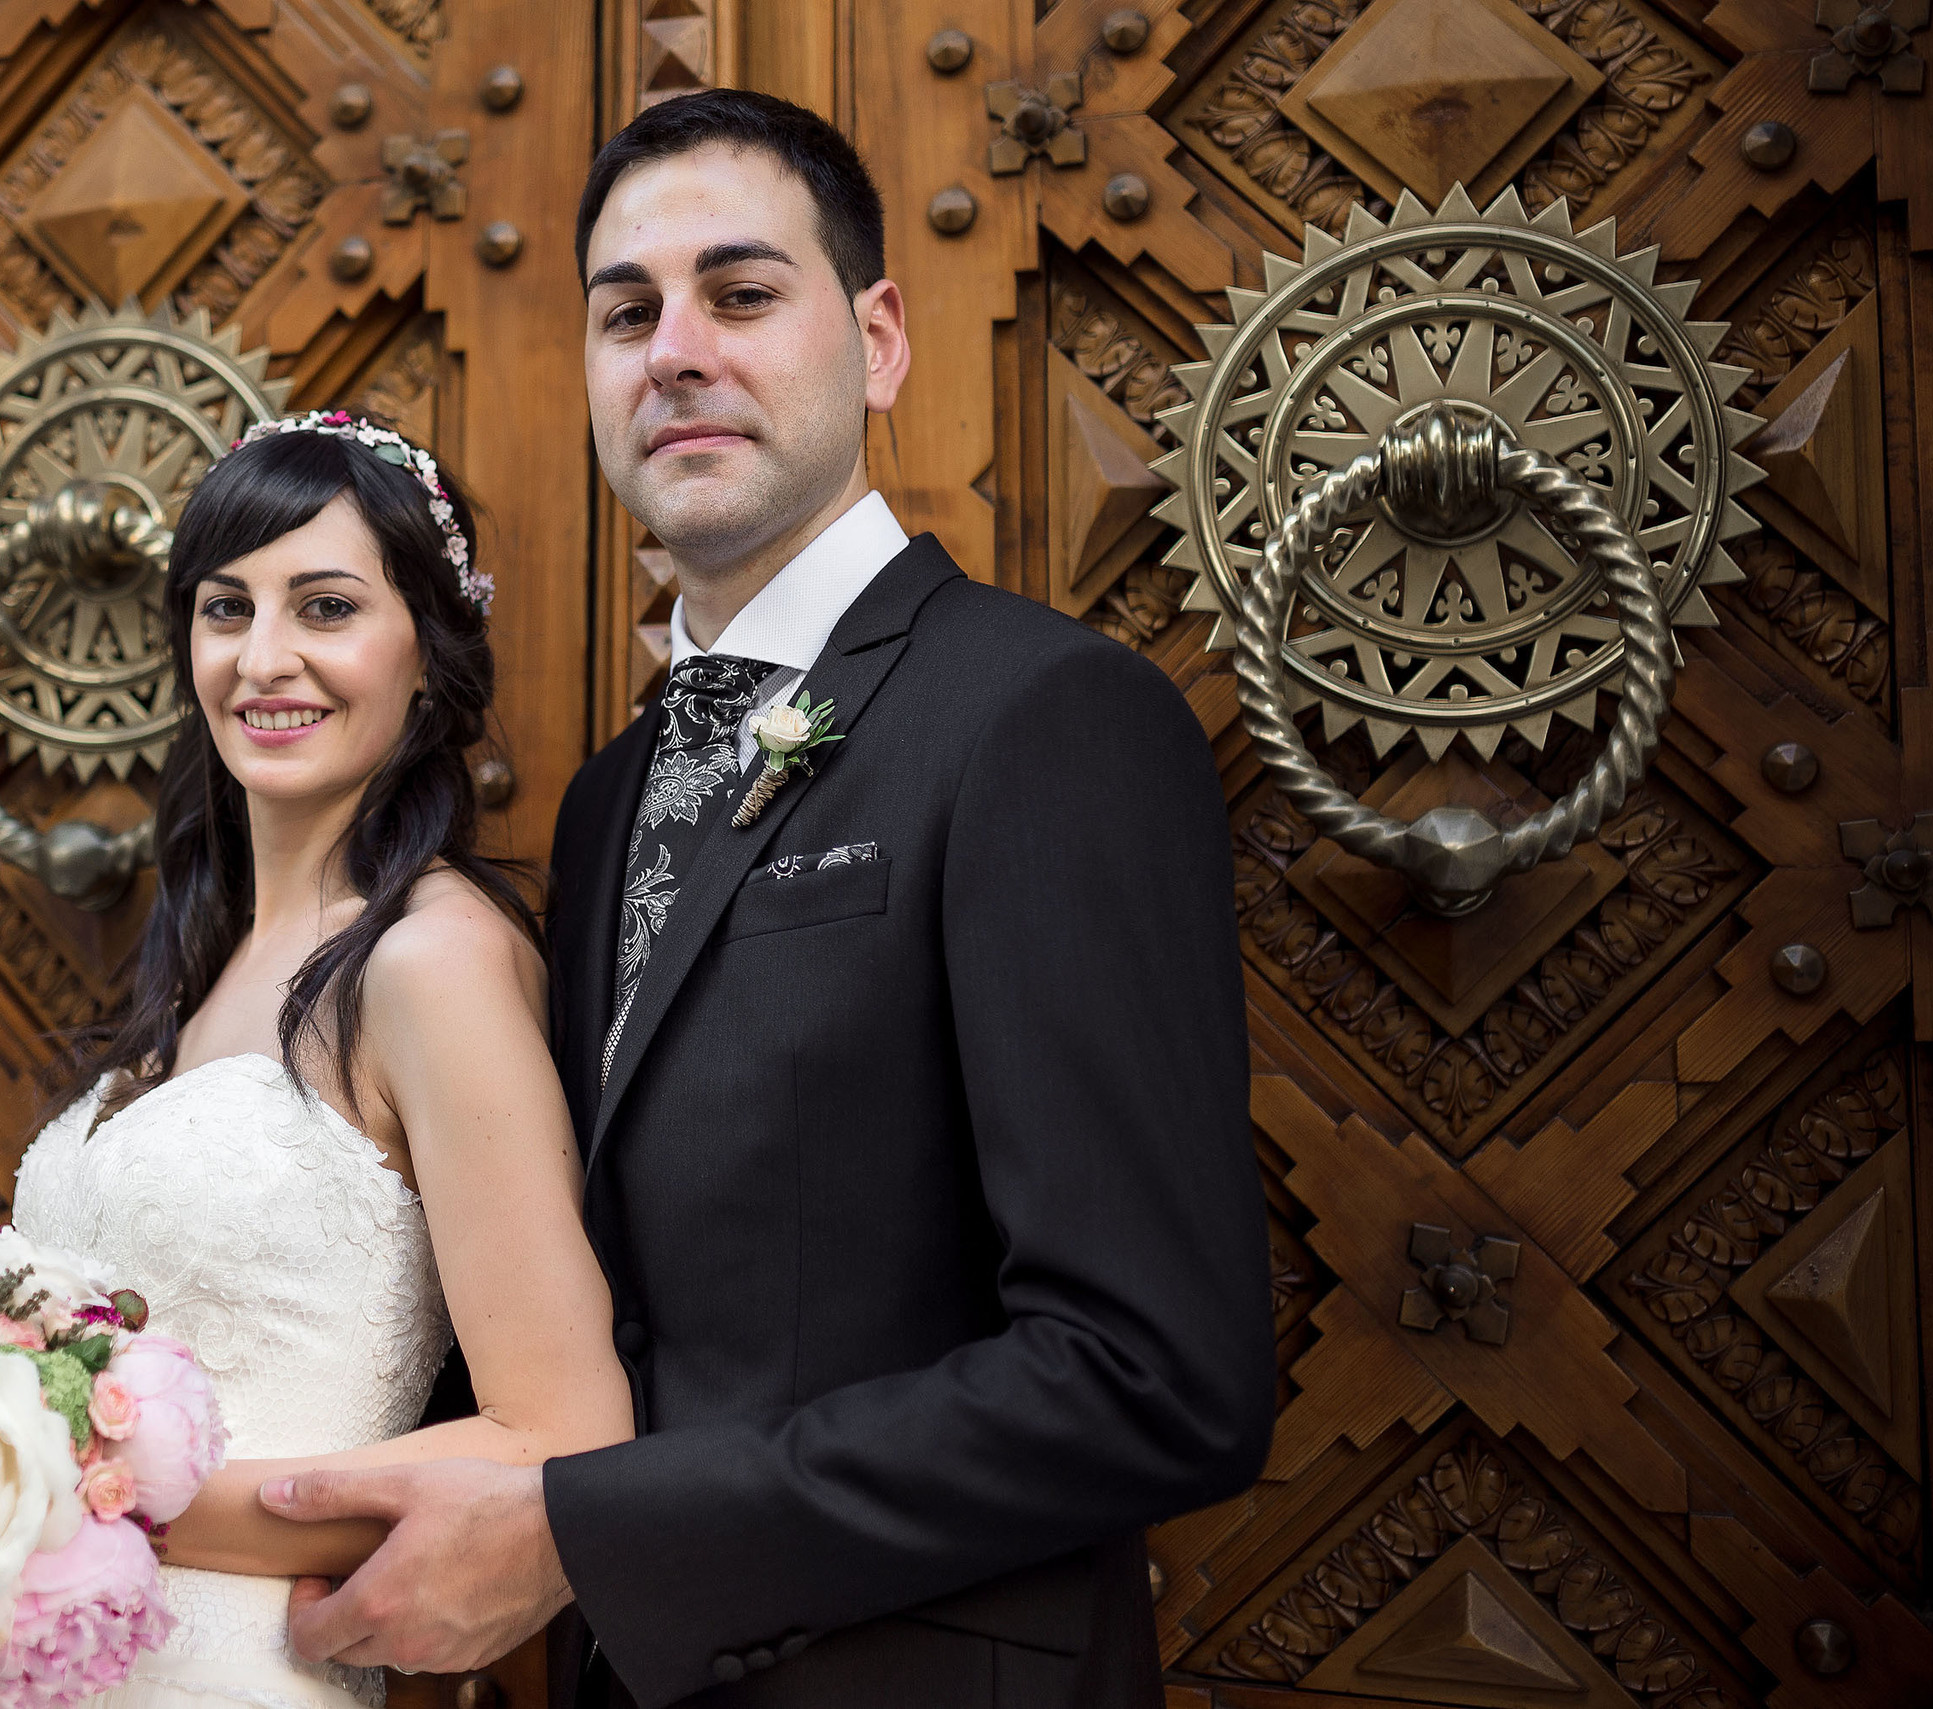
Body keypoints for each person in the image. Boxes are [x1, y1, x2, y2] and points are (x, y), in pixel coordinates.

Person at [259, 90, 1275, 1708]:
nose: (674, 350)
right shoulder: (608, 799)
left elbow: (1158, 1380)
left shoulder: (1041, 718)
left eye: (740, 295)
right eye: (625, 311)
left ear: (876, 341)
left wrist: (599, 1532)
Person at [8, 411, 635, 1708]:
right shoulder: (212, 956)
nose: (265, 657)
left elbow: (558, 1438)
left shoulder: (431, 962)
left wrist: (52, 1490)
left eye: (327, 605)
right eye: (227, 608)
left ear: (428, 654)